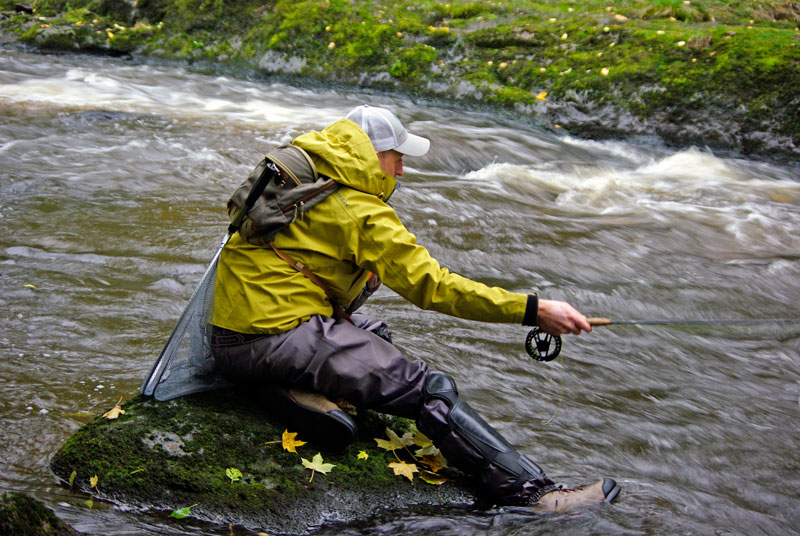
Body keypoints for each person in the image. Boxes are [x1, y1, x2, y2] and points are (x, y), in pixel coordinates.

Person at [210, 104, 620, 511]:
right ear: (374, 154)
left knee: (376, 333)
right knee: (430, 390)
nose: (401, 170)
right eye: (398, 158)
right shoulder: (359, 211)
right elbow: (434, 287)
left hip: (235, 336)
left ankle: (281, 388)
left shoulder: (303, 179)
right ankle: (531, 493)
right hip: (273, 338)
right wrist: (533, 310)